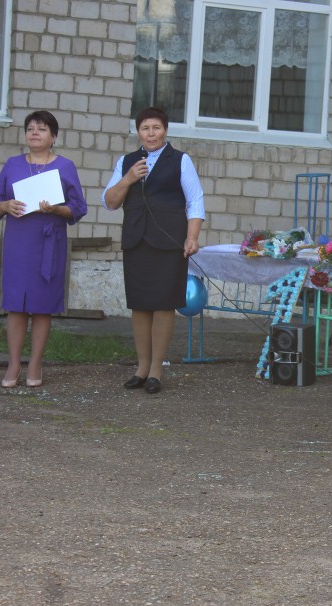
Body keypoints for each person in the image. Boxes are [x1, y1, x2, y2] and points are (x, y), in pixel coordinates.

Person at [102, 106, 205, 395]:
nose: (151, 133)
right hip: (136, 240)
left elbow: (195, 201)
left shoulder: (180, 160)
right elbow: (109, 202)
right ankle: (141, 367)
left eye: (156, 128)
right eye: (145, 128)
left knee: (163, 304)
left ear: (165, 130)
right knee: (140, 303)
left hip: (169, 241)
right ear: (138, 132)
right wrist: (128, 179)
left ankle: (156, 370)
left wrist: (192, 236)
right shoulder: (127, 162)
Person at [0, 110, 88, 388]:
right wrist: (5, 205)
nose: (35, 133)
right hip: (18, 242)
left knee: (42, 305)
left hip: (49, 243)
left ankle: (36, 363)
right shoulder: (13, 164)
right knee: (16, 304)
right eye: (30, 128)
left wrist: (56, 209)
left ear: (54, 137)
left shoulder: (65, 167)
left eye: (41, 129)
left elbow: (79, 207)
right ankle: (13, 363)